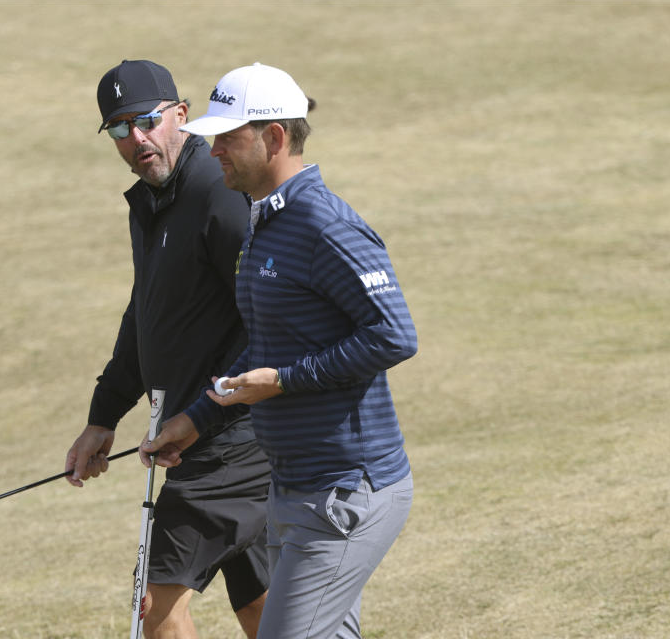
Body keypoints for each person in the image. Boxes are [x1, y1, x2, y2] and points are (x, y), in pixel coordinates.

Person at [141, 63, 418, 639]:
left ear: (273, 138)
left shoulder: (324, 225)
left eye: (228, 137)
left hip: (347, 491)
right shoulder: (263, 226)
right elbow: (264, 351)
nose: (213, 150)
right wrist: (198, 418)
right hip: (292, 491)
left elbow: (393, 335)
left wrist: (286, 381)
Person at [63, 60, 271, 639]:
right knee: (263, 608)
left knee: (152, 606)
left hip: (233, 444)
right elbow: (146, 316)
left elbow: (272, 322)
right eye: (118, 129)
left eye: (146, 121)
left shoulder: (218, 197)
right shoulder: (153, 202)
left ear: (181, 115)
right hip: (203, 440)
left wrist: (207, 411)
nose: (136, 140)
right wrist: (104, 416)